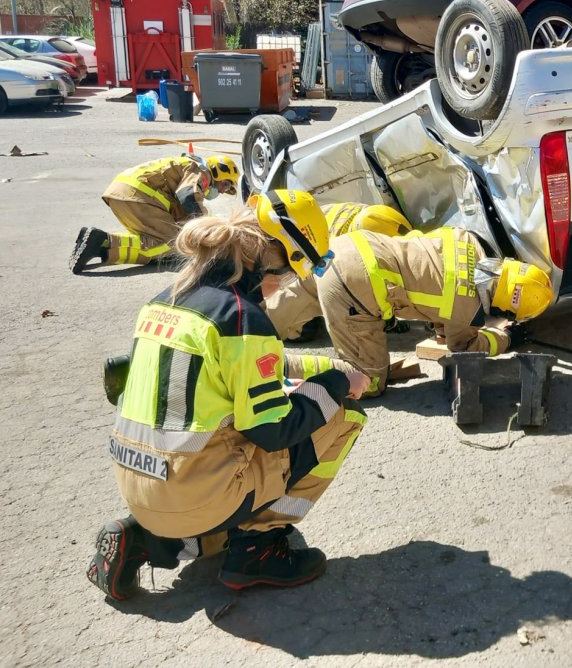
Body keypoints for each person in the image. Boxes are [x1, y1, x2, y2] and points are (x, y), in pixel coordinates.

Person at [86, 190, 372, 600]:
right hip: (195, 493)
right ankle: (258, 548)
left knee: (218, 455)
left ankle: (147, 539)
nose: (283, 288)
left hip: (141, 488)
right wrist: (337, 386)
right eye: (291, 275)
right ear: (276, 260)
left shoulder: (165, 302)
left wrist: (331, 367)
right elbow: (274, 431)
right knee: (342, 419)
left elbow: (255, 365)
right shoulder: (242, 318)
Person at [316, 227, 554, 397]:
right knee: (369, 384)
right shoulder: (466, 309)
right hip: (351, 285)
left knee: (286, 318)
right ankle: (297, 376)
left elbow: (432, 275)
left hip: (349, 244)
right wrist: (507, 338)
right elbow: (465, 347)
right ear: (504, 308)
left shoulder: (466, 238)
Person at [263, 201, 413, 342]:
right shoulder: (344, 246)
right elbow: (359, 286)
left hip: (309, 254)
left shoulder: (376, 217)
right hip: (303, 268)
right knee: (290, 328)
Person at [71, 154, 240, 274]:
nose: (222, 190)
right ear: (218, 171)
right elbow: (187, 197)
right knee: (173, 241)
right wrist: (208, 229)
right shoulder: (200, 171)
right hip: (138, 195)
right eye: (225, 185)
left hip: (124, 193)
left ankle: (100, 247)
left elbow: (182, 213)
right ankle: (101, 241)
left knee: (164, 247)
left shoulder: (185, 165)